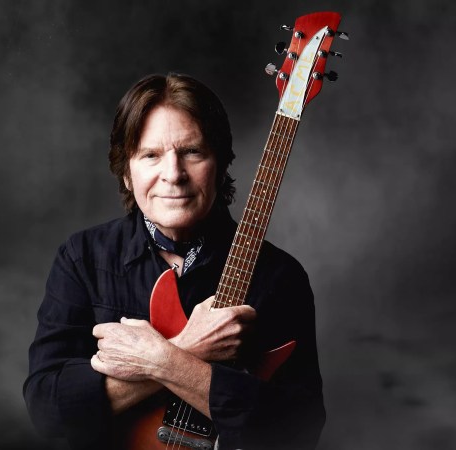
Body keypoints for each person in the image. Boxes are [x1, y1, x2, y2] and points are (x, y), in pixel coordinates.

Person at [24, 73, 325, 449]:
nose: (173, 175)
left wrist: (163, 360)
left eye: (192, 152)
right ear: (127, 172)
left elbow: (299, 432)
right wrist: (190, 346)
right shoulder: (83, 257)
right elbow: (47, 411)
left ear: (220, 164)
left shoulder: (280, 277)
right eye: (150, 155)